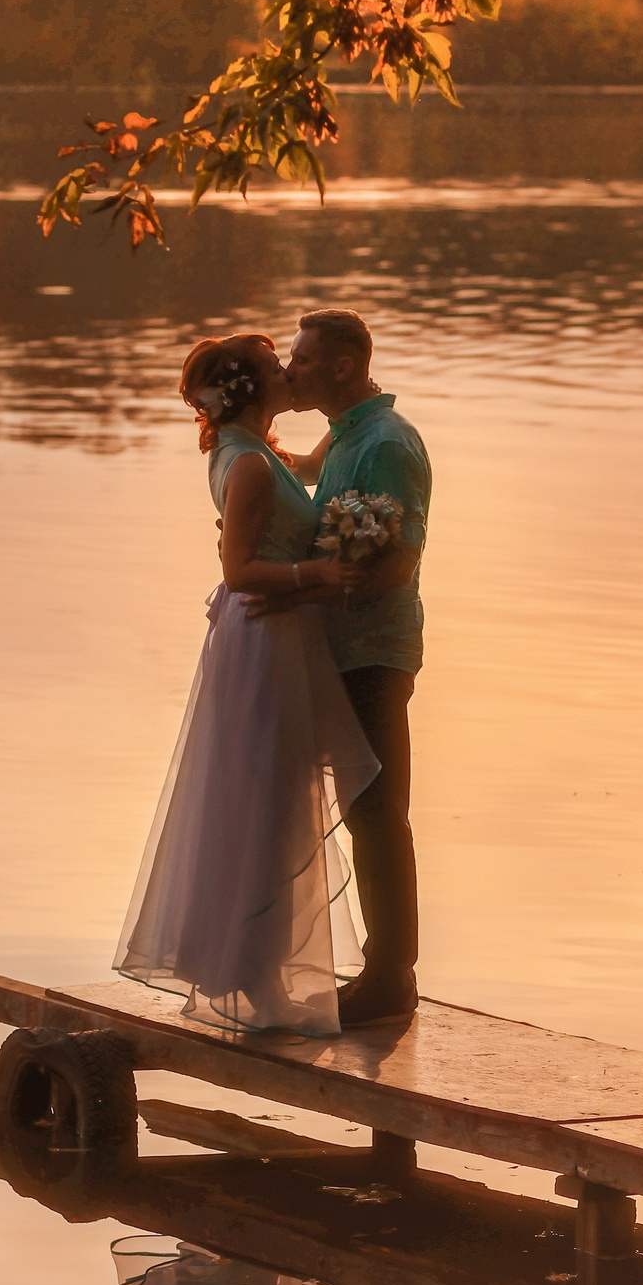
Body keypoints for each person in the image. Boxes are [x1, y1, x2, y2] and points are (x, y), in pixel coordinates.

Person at [111, 333, 379, 1035]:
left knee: (267, 798)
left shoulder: (255, 452)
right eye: (275, 367)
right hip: (264, 639)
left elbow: (313, 466)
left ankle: (254, 971)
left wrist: (361, 422)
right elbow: (239, 572)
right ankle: (256, 979)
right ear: (252, 387)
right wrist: (317, 574)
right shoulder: (252, 467)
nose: (289, 372)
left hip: (270, 639)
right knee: (268, 802)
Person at [261, 308, 429, 1026]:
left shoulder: (388, 443)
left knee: (376, 810)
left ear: (339, 365)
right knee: (365, 809)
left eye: (300, 359)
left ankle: (391, 975)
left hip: (375, 652)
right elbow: (303, 483)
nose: (292, 370)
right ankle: (379, 969)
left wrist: (336, 578)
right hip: (338, 648)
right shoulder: (348, 435)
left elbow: (403, 552)